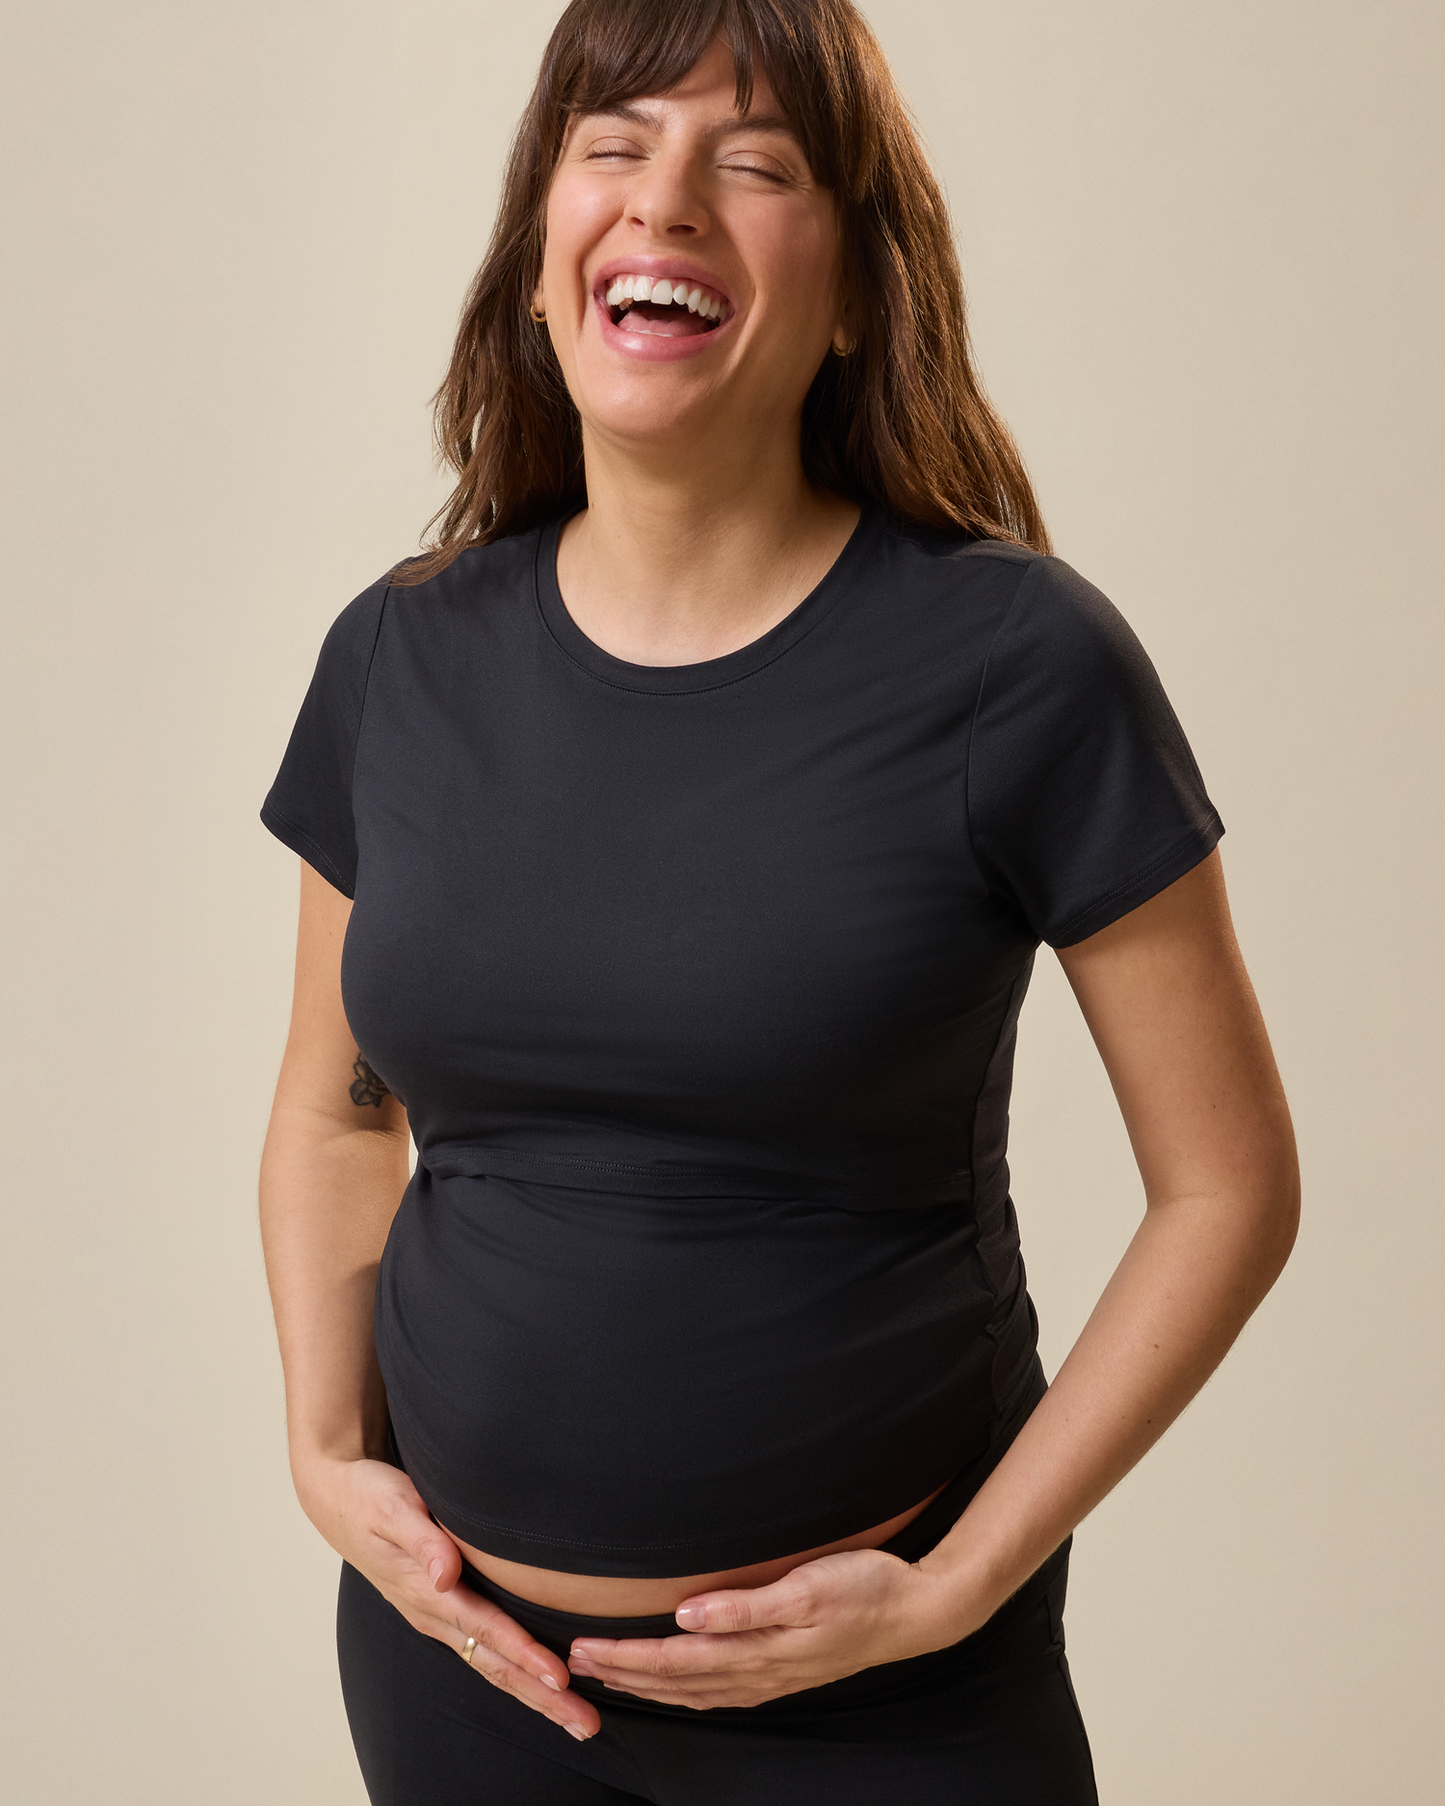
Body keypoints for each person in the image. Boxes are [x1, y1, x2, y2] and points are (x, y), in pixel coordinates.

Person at [258, 1, 1300, 1800]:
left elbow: (1228, 1185)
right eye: (614, 144)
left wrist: (958, 1586)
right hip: (463, 1682)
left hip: (890, 1714)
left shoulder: (1017, 663)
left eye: (755, 164)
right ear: (536, 258)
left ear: (851, 294)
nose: (668, 198)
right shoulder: (396, 655)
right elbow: (335, 1114)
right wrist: (323, 1447)